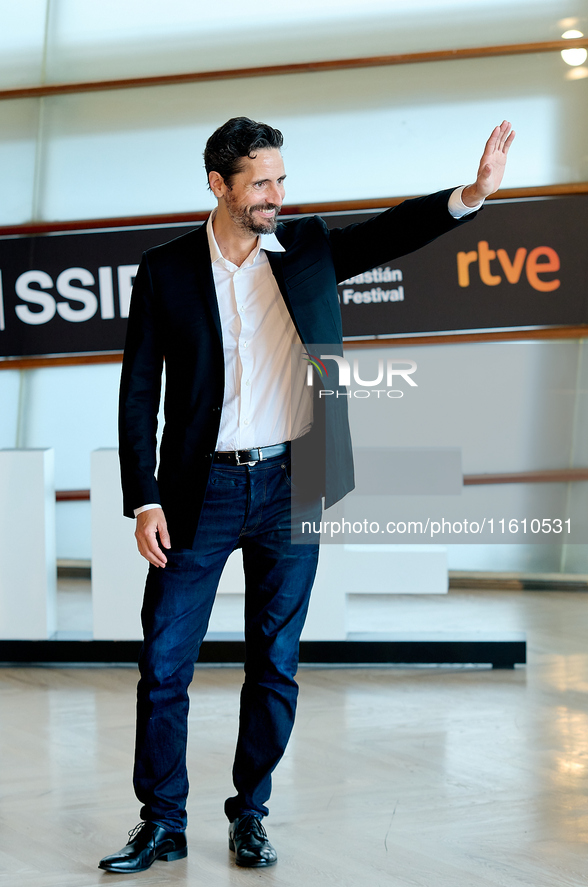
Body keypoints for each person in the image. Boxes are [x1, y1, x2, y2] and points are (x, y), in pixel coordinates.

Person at [98, 116, 514, 873]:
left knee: (275, 661)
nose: (276, 195)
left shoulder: (306, 247)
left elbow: (391, 233)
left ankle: (249, 813)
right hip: (201, 490)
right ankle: (162, 820)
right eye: (261, 182)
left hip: (292, 482)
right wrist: (145, 498)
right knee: (163, 662)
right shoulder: (166, 269)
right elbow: (138, 393)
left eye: (281, 180)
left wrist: (470, 193)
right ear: (218, 185)